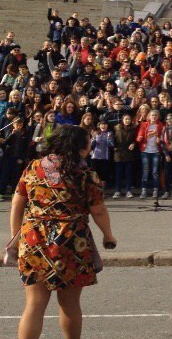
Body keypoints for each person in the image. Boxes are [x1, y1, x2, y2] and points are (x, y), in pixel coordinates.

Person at [10, 125, 117, 339]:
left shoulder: (34, 167)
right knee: (69, 303)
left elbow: (18, 202)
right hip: (71, 240)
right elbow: (98, 210)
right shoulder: (86, 173)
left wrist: (16, 236)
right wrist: (108, 235)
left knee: (34, 303)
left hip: (34, 238)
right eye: (88, 141)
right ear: (80, 146)